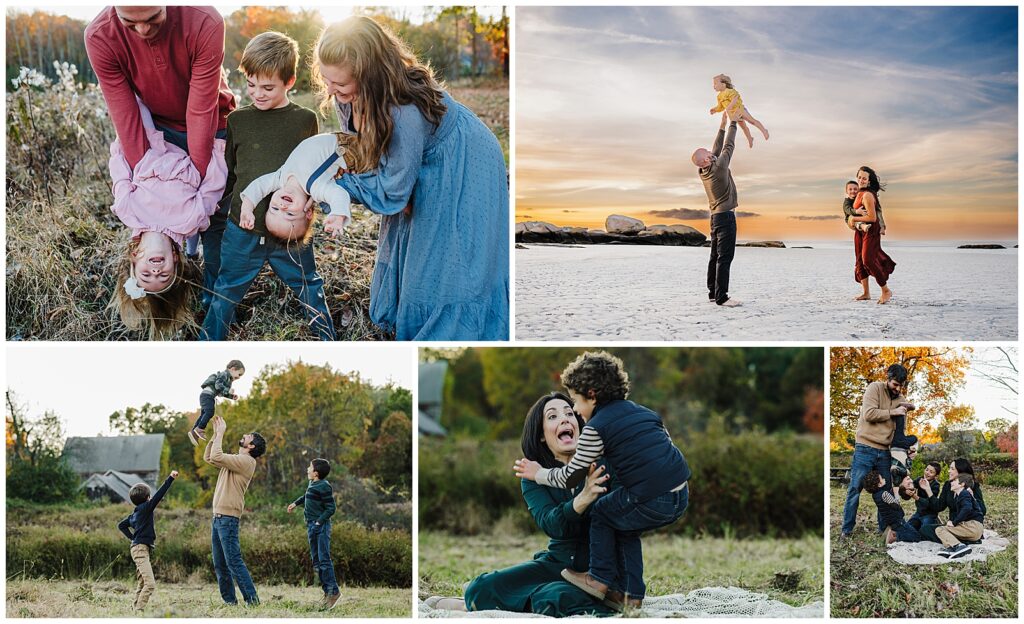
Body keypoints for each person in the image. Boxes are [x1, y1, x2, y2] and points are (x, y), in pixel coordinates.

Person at [314, 16, 510, 340]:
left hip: (465, 157)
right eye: (326, 80)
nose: (331, 90)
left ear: (369, 75)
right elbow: (363, 154)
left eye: (341, 84)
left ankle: (451, 329)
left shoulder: (402, 111)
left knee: (449, 254)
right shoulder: (346, 96)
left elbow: (392, 193)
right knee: (411, 228)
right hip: (422, 153)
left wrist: (334, 186)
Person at [514, 352, 690, 611]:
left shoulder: (596, 428)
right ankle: (631, 597)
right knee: (624, 526)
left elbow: (568, 476)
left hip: (652, 497)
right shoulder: (645, 413)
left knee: (602, 511)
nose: (574, 410)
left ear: (592, 394)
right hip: (680, 494)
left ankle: (598, 580)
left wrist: (536, 473)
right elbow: (667, 447)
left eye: (574, 400)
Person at [85, 6, 236, 306]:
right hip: (157, 135)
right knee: (202, 218)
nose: (142, 30)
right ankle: (190, 262)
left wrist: (200, 169)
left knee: (216, 222)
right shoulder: (100, 36)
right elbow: (125, 115)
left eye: (152, 19)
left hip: (210, 122)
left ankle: (216, 293)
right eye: (130, 23)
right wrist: (140, 156)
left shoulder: (204, 21)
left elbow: (201, 107)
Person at [200, 31, 335, 341]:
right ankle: (208, 342)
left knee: (308, 284)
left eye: (268, 87)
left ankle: (327, 338)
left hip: (289, 229)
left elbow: (312, 172)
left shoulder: (305, 120)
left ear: (289, 82)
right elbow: (234, 173)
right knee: (225, 289)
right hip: (243, 228)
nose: (257, 94)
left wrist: (313, 202)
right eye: (251, 85)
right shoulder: (238, 120)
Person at [436, 392, 616, 617]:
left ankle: (526, 600)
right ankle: (492, 600)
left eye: (570, 413)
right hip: (556, 565)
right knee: (480, 587)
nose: (564, 418)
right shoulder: (532, 477)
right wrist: (582, 499)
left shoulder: (602, 464)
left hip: (598, 569)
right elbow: (552, 525)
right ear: (542, 435)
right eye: (552, 416)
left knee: (554, 598)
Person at [107, 98, 228, 338]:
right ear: (175, 259)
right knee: (202, 105)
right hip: (192, 155)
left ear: (134, 258)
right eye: (163, 275)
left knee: (135, 102)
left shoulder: (128, 211)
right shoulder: (189, 222)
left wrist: (121, 144)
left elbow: (121, 173)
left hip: (148, 147)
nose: (155, 271)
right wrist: (218, 150)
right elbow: (212, 188)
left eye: (146, 274)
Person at [238, 133, 358, 242]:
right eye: (290, 214)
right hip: (350, 149)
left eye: (274, 209)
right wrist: (338, 214)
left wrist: (247, 209)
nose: (282, 207)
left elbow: (258, 186)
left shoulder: (279, 179)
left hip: (336, 137)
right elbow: (339, 194)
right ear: (308, 212)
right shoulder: (316, 188)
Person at [840, 364, 913, 537]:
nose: (897, 389)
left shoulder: (900, 398)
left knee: (885, 490)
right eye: (895, 384)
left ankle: (883, 527)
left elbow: (899, 430)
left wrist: (904, 448)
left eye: (900, 386)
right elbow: (869, 414)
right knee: (855, 488)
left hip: (884, 451)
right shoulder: (874, 388)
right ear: (888, 378)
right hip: (865, 447)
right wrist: (894, 411)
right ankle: (847, 529)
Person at [203, 415, 265, 606]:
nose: (245, 435)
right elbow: (209, 457)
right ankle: (230, 602)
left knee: (234, 562)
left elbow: (216, 456)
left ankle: (252, 601)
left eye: (249, 436)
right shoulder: (236, 460)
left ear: (251, 446)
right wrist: (215, 436)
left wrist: (221, 432)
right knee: (220, 565)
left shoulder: (247, 462)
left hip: (228, 518)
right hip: (218, 517)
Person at [692, 112, 741, 307]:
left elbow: (716, 148)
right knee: (725, 257)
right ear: (705, 161)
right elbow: (728, 147)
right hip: (726, 217)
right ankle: (722, 297)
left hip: (715, 218)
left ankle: (713, 292)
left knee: (715, 255)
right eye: (708, 155)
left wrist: (722, 124)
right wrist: (733, 123)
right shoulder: (719, 167)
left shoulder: (704, 171)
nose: (712, 154)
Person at [116, 470, 178, 611]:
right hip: (140, 549)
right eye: (150, 498)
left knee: (142, 582)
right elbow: (159, 495)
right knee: (150, 584)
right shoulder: (145, 509)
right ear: (148, 498)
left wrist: (133, 539)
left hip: (139, 548)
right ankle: (139, 609)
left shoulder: (135, 514)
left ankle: (135, 607)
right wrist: (170, 478)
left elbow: (121, 525)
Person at [287, 458, 341, 610]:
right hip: (311, 525)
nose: (307, 469)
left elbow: (331, 508)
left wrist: (318, 523)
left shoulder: (324, 486)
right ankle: (327, 594)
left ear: (315, 473)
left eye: (309, 468)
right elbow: (307, 496)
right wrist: (295, 503)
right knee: (316, 561)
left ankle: (333, 592)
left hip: (321, 526)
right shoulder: (313, 484)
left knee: (324, 560)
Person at [848, 166, 896, 304]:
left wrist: (854, 219)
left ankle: (885, 290)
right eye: (859, 177)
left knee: (868, 259)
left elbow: (872, 218)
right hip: (860, 232)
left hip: (871, 230)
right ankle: (866, 293)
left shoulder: (868, 194)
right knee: (859, 261)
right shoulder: (858, 194)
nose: (861, 180)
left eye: (864, 178)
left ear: (869, 181)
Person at [188, 360, 244, 445]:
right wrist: (228, 390)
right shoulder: (224, 375)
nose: (239, 377)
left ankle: (194, 432)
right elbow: (218, 386)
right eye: (239, 374)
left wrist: (231, 396)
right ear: (233, 369)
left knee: (204, 414)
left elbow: (221, 393)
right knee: (210, 412)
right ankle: (199, 429)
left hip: (206, 395)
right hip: (207, 395)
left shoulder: (228, 381)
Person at [709, 73, 768, 149]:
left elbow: (736, 98)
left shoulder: (730, 91)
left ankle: (764, 130)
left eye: (715, 84)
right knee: (744, 127)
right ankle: (750, 138)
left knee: (751, 121)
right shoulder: (719, 96)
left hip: (740, 110)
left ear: (723, 84)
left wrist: (729, 106)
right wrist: (715, 109)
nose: (714, 86)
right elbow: (720, 107)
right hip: (733, 115)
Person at [863, 471, 923, 544]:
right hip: (897, 520)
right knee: (916, 536)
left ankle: (893, 532)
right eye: (882, 478)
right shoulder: (884, 494)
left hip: (890, 521)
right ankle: (895, 536)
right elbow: (896, 505)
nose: (884, 479)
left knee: (910, 529)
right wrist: (896, 493)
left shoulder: (875, 495)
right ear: (879, 484)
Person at [935, 474, 985, 559]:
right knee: (946, 529)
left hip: (973, 527)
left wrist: (954, 522)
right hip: (974, 528)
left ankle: (959, 546)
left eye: (954, 481)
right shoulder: (962, 495)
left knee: (940, 529)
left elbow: (967, 508)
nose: (951, 482)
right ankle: (952, 548)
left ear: (962, 484)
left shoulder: (964, 493)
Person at [908, 461, 943, 530]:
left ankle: (935, 520)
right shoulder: (920, 479)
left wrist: (916, 497)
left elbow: (928, 503)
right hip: (919, 512)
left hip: (929, 513)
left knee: (925, 530)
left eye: (931, 472)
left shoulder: (935, 485)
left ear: (936, 476)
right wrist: (912, 488)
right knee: (909, 527)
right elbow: (913, 484)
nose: (927, 472)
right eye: (927, 469)